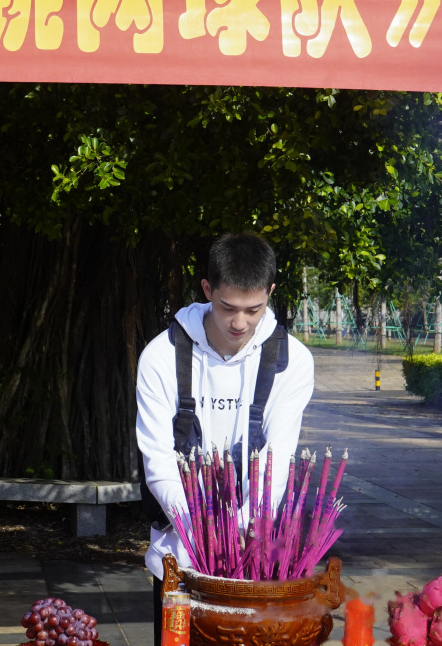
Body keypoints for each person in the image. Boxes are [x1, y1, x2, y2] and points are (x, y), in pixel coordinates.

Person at [135, 232, 315, 644]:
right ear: (206, 289)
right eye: (227, 307)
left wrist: (246, 528)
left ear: (270, 292)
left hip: (254, 567)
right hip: (177, 566)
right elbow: (158, 460)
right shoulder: (161, 357)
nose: (239, 323)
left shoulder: (293, 361)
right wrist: (204, 534)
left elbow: (279, 456)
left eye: (254, 310)